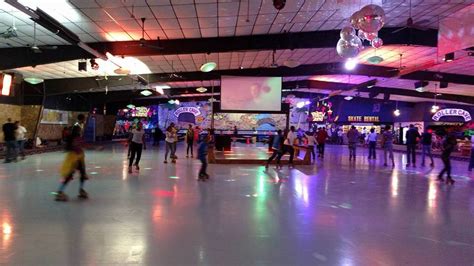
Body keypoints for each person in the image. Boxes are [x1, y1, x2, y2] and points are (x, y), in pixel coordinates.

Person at [55, 114, 88, 201]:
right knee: (70, 175)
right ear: (82, 119)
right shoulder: (76, 127)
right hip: (74, 156)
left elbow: (78, 141)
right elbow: (77, 141)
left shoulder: (77, 126)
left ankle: (81, 190)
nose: (85, 120)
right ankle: (59, 192)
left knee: (82, 173)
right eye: (85, 119)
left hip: (78, 155)